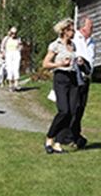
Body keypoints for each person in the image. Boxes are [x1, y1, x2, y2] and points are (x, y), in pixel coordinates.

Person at [41, 18, 83, 154]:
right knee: (63, 111)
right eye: (71, 29)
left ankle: (58, 142)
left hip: (72, 78)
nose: (74, 31)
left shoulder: (73, 45)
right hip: (61, 77)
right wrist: (60, 64)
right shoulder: (55, 45)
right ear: (64, 31)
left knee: (72, 112)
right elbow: (45, 64)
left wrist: (79, 62)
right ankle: (49, 137)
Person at [71, 16, 96, 148]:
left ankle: (75, 135)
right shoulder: (74, 39)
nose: (92, 29)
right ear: (83, 28)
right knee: (74, 107)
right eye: (90, 27)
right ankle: (71, 136)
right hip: (76, 77)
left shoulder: (92, 41)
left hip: (86, 77)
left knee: (81, 108)